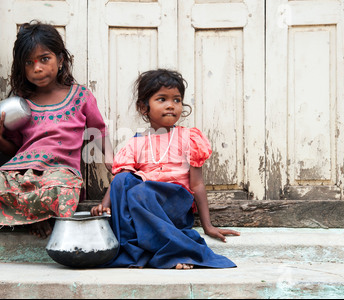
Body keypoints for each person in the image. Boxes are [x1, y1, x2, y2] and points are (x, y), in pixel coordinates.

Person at [0, 21, 113, 238]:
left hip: (59, 176)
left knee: (63, 190)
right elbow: (16, 147)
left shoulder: (80, 96)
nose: (37, 68)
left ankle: (36, 216)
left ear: (61, 59)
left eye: (45, 59)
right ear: (22, 68)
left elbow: (99, 131)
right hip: (21, 175)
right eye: (29, 63)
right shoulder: (21, 105)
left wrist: (112, 161)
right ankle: (35, 217)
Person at [91, 69, 240, 269]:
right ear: (144, 107)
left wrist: (208, 225)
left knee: (140, 191)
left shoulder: (189, 138)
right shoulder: (137, 142)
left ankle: (175, 252)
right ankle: (137, 251)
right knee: (124, 180)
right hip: (144, 202)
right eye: (162, 99)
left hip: (175, 202)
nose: (171, 105)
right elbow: (120, 181)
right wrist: (104, 206)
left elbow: (197, 184)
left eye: (177, 100)